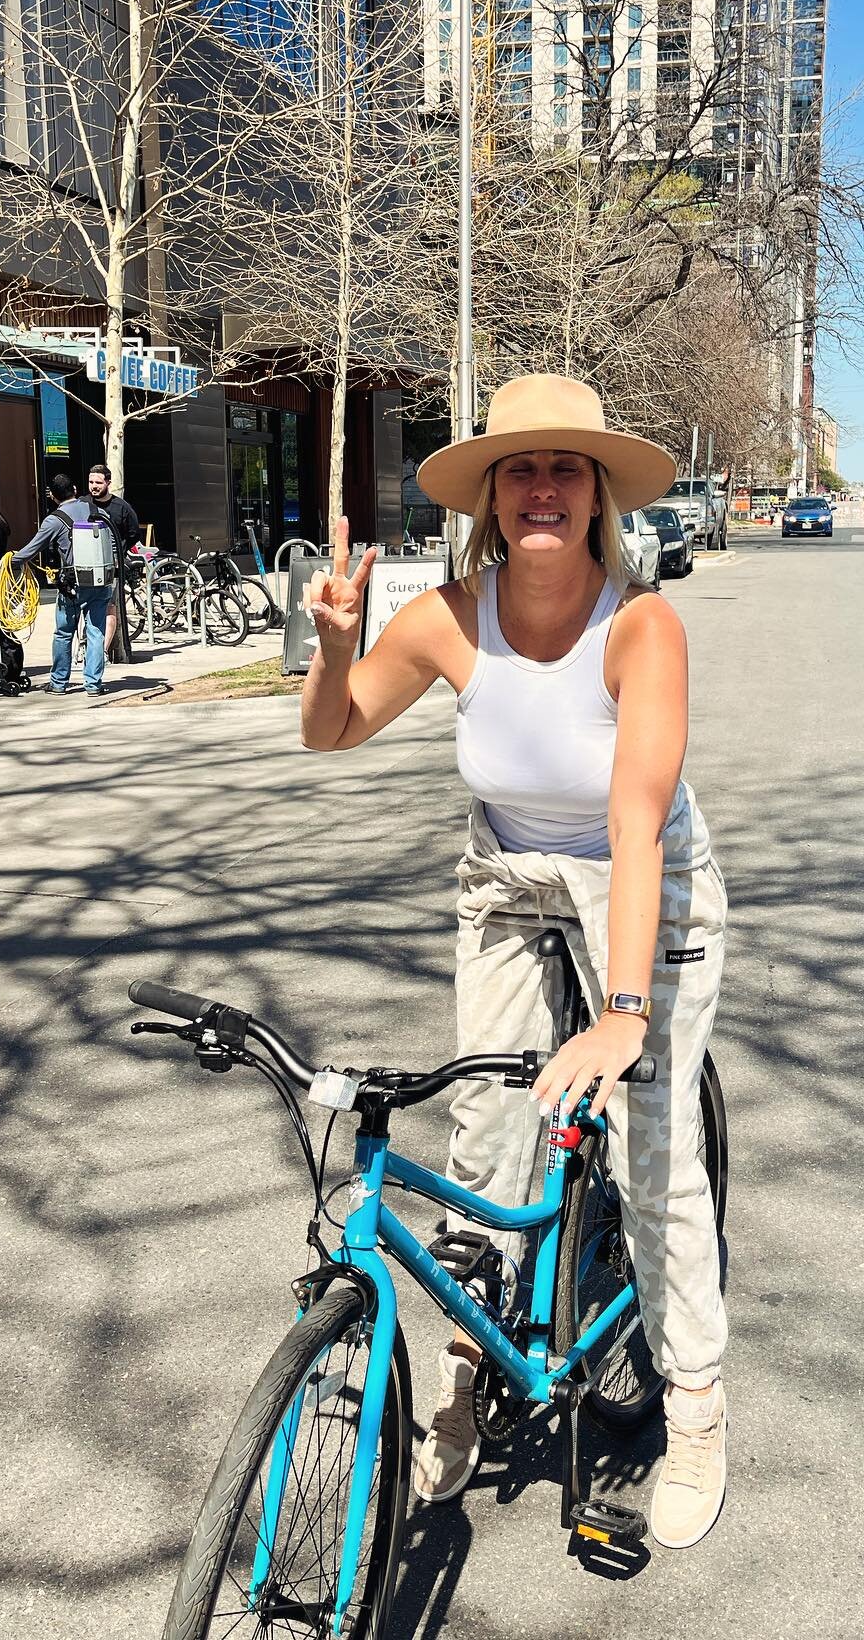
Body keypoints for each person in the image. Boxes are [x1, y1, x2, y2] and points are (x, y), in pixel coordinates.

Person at [299, 374, 729, 1550]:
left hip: (643, 892)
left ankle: (694, 1405)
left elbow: (634, 824)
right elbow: (331, 730)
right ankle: (461, 1384)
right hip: (506, 887)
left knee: (651, 1154)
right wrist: (333, 654)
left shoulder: (642, 625)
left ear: (597, 498)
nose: (544, 488)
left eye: (567, 469)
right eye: (521, 469)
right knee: (485, 1137)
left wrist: (624, 1013)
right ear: (490, 498)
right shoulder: (449, 615)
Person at [11, 473, 114, 697]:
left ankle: (59, 683)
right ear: (75, 489)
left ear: (53, 496)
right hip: (100, 579)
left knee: (64, 633)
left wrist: (9, 561)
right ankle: (93, 685)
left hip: (72, 584)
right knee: (96, 632)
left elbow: (31, 550)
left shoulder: (54, 520)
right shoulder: (98, 512)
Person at [85, 463, 141, 658]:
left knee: (110, 607)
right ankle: (86, 649)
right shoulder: (84, 504)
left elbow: (134, 533)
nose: (94, 486)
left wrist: (120, 551)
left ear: (108, 482)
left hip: (112, 566)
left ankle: (101, 652)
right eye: (91, 482)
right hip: (87, 566)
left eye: (98, 482)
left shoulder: (121, 507)